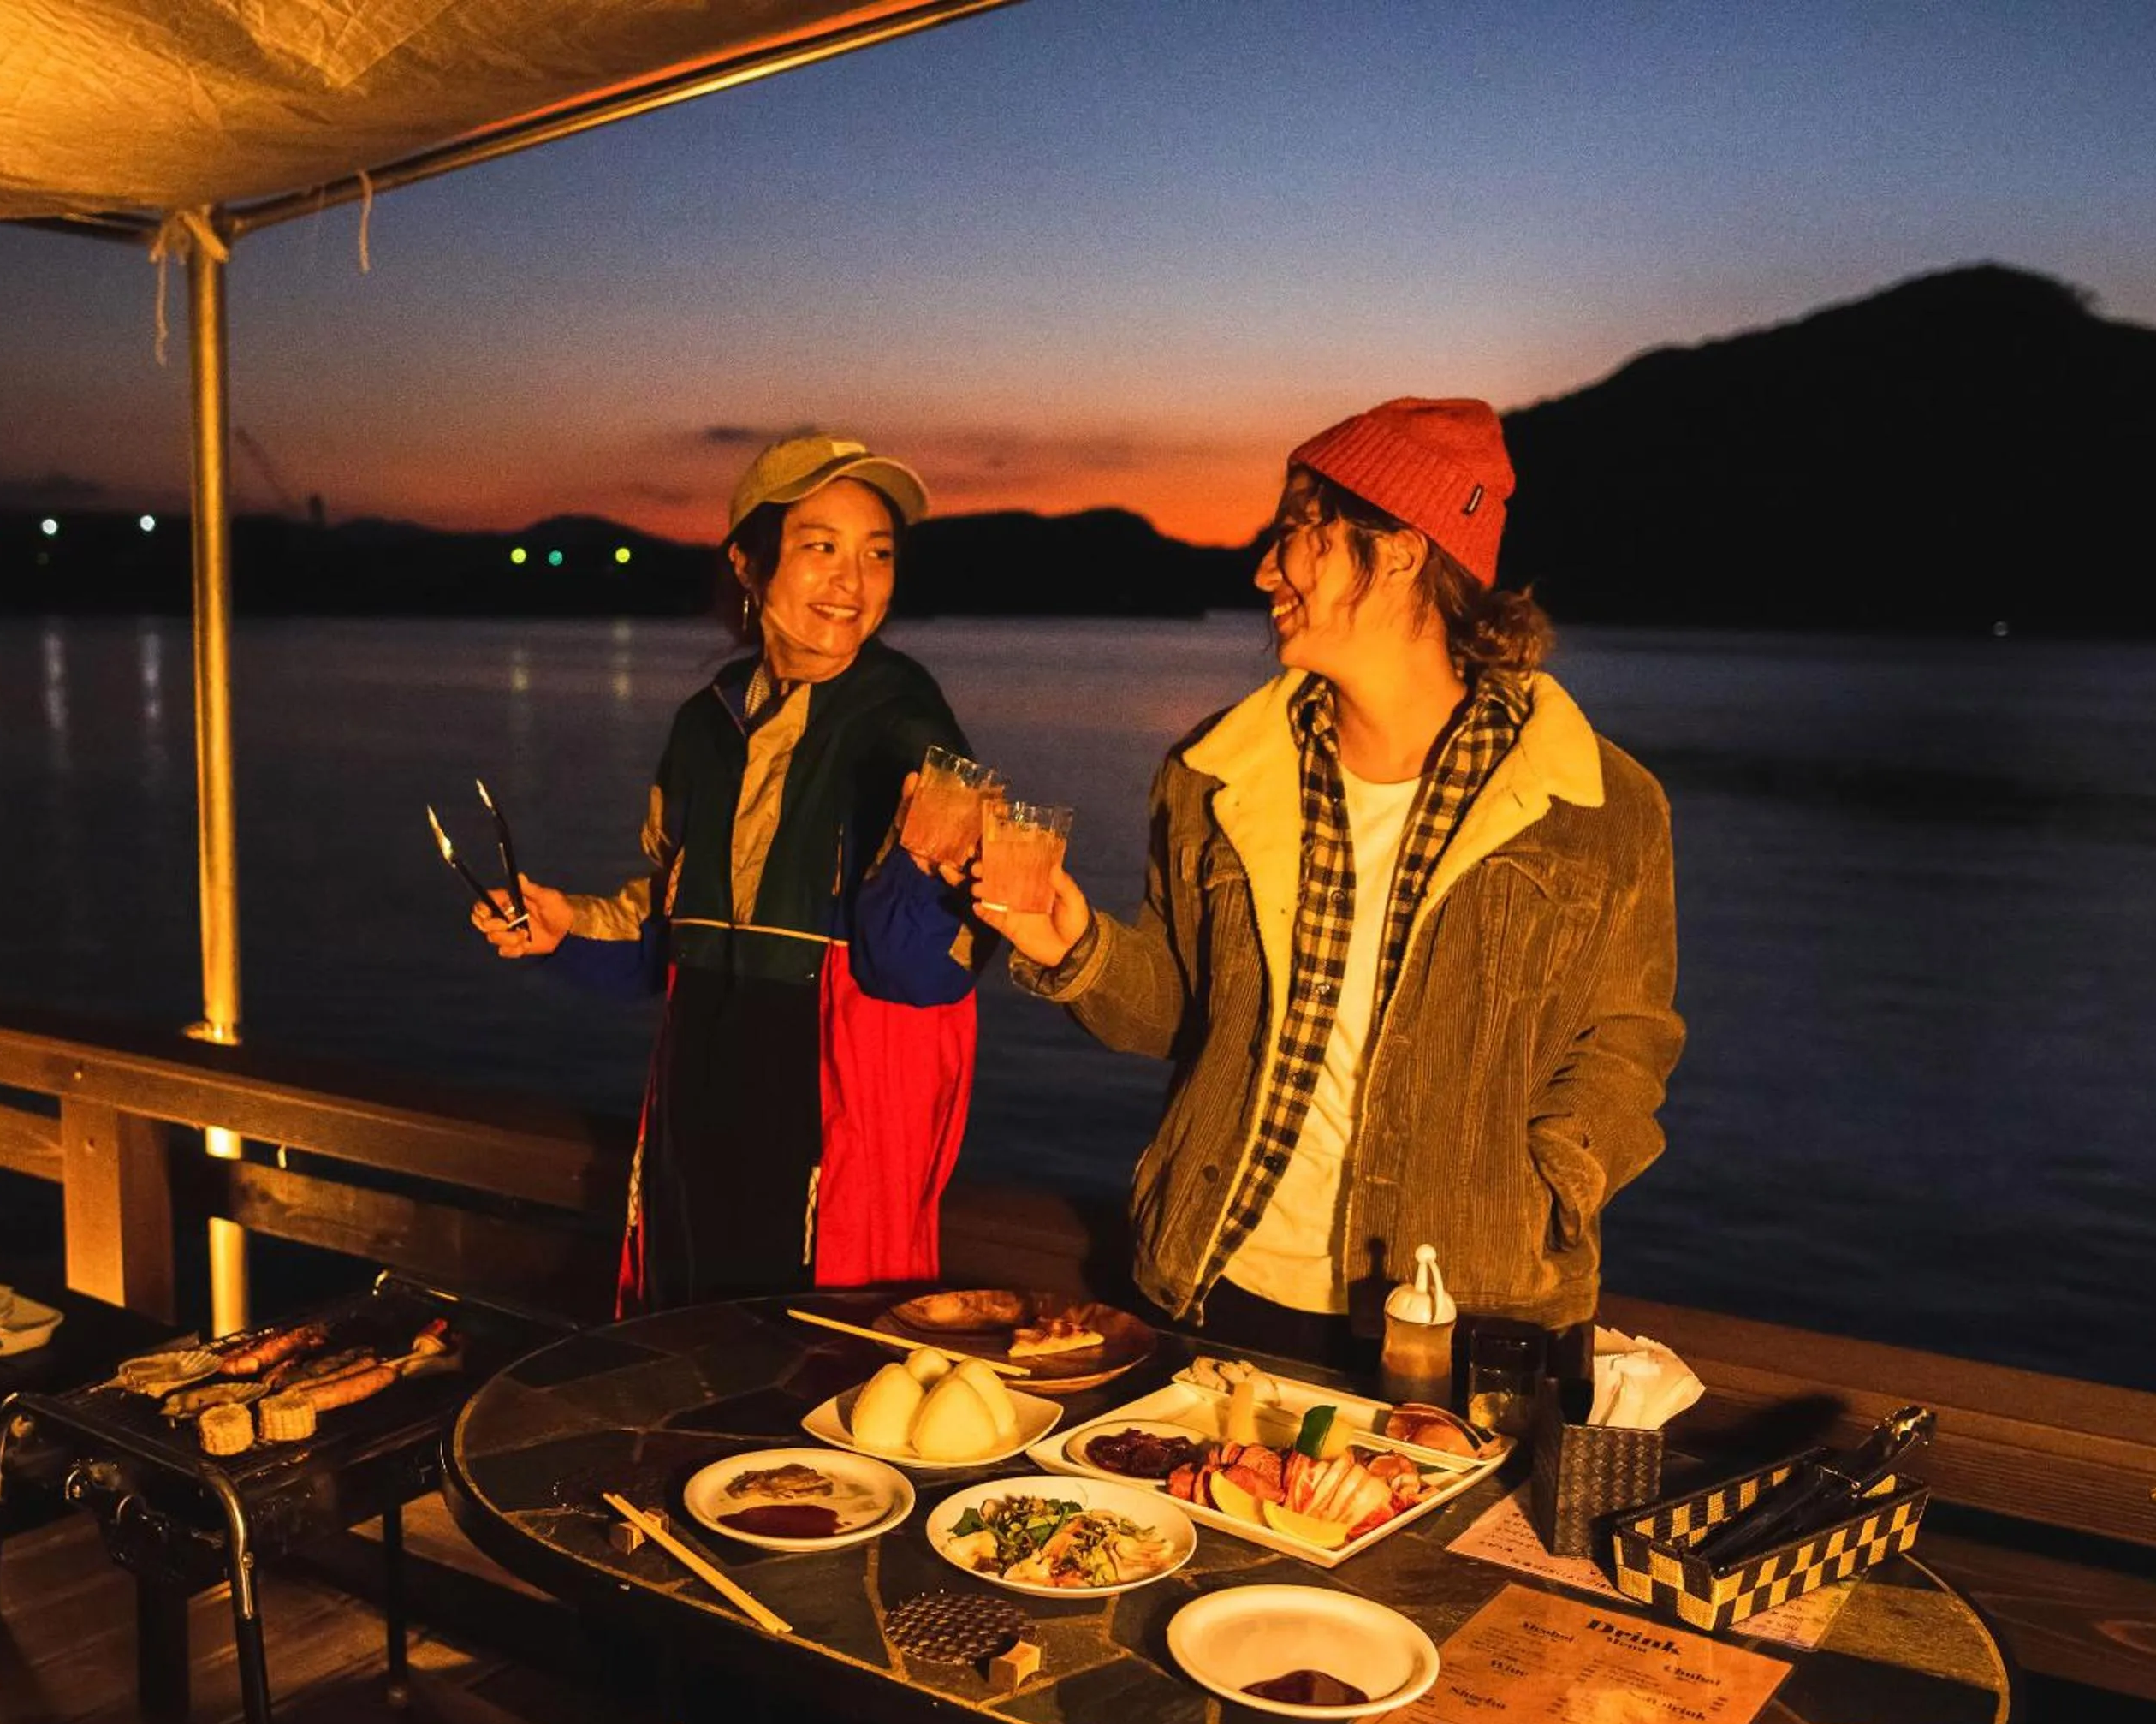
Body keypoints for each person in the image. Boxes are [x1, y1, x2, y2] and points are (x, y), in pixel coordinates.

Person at [978, 398, 1683, 1363]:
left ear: (1397, 550)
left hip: (1474, 1314)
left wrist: (1546, 1184)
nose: (1265, 570)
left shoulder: (1598, 804)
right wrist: (1075, 949)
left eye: (1297, 532)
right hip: (1221, 1284)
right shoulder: (1213, 775)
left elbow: (1629, 1042)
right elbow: (1180, 1016)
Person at [476, 432, 984, 1311]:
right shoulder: (705, 726)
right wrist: (565, 929)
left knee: (812, 1355)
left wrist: (923, 864)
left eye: (877, 555)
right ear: (748, 564)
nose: (853, 583)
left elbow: (924, 973)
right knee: (683, 1324)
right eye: (821, 547)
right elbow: (674, 933)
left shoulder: (904, 722)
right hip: (701, 1083)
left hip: (831, 1097)